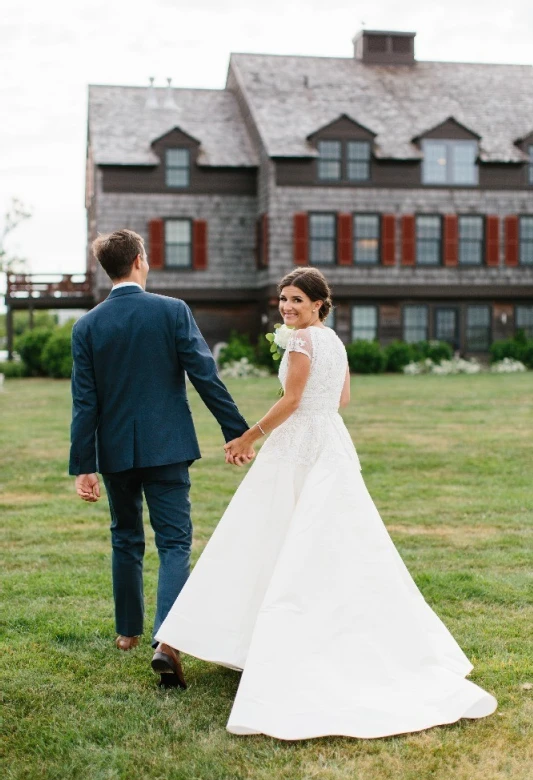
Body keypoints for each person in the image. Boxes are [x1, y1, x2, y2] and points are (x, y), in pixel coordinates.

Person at [155, 266, 497, 740]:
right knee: (319, 541)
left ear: (319, 302)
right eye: (283, 299)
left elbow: (293, 400)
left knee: (256, 537)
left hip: (297, 447)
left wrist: (246, 437)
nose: (287, 307)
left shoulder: (300, 342)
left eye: (297, 300)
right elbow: (343, 398)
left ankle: (195, 639)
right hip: (330, 442)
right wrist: (310, 412)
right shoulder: (333, 340)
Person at [69, 229, 252, 687]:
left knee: (125, 536)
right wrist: (238, 433)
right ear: (138, 260)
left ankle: (127, 633)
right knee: (174, 543)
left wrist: (83, 465)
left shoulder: (86, 326)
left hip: (114, 452)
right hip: (168, 446)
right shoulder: (172, 311)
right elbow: (205, 376)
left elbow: (84, 403)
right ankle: (168, 640)